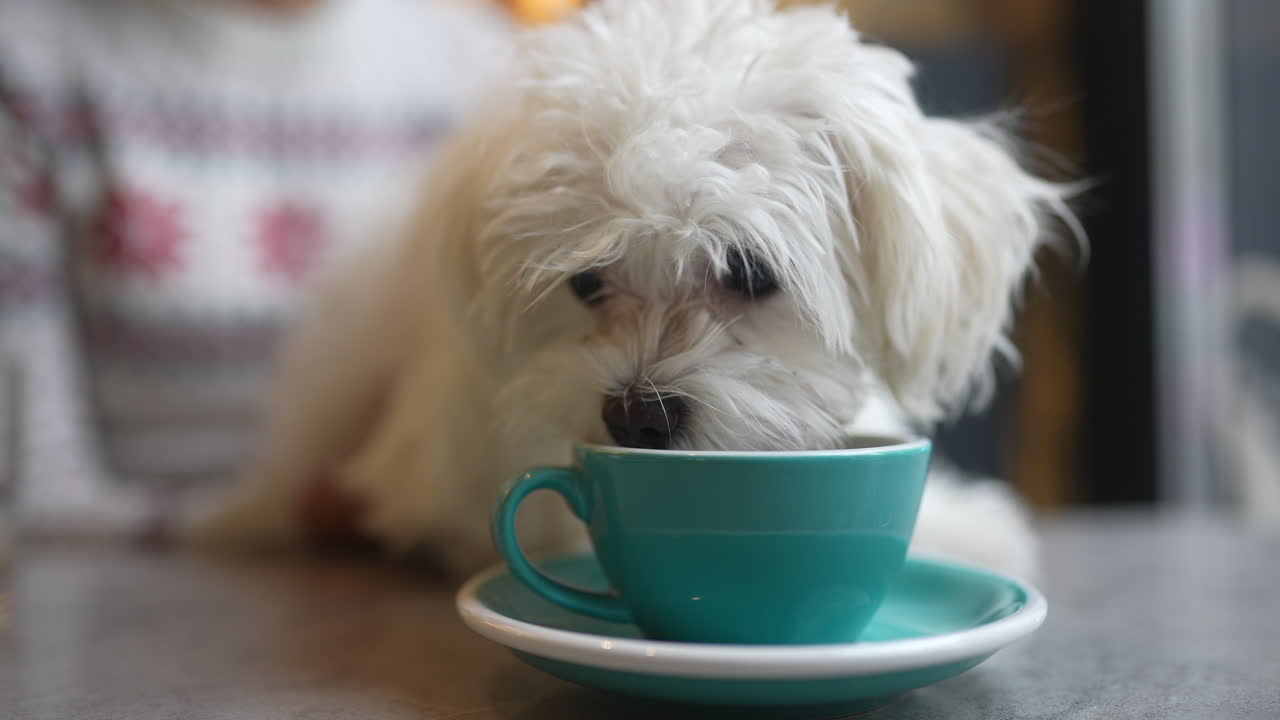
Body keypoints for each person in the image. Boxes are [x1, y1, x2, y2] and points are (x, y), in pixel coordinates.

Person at [0, 0, 511, 538]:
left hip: (398, 571)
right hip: (126, 588)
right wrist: (296, 518)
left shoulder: (473, 66)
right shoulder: (28, 62)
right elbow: (31, 493)